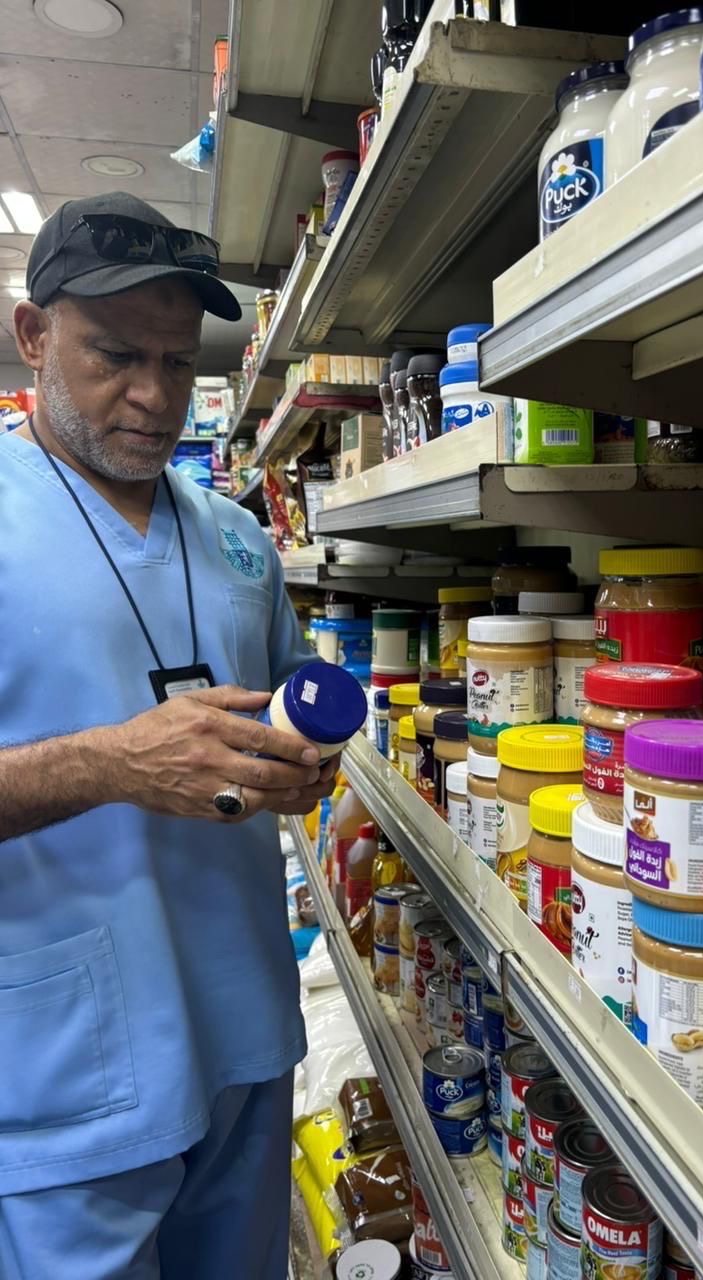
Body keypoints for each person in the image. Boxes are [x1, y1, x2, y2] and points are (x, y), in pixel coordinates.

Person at [0, 193, 336, 1279]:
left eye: (179, 362)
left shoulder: (237, 539)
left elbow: (286, 713)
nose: (154, 396)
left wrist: (303, 764)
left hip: (244, 1034)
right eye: (115, 355)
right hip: (64, 1071)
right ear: (33, 335)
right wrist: (109, 762)